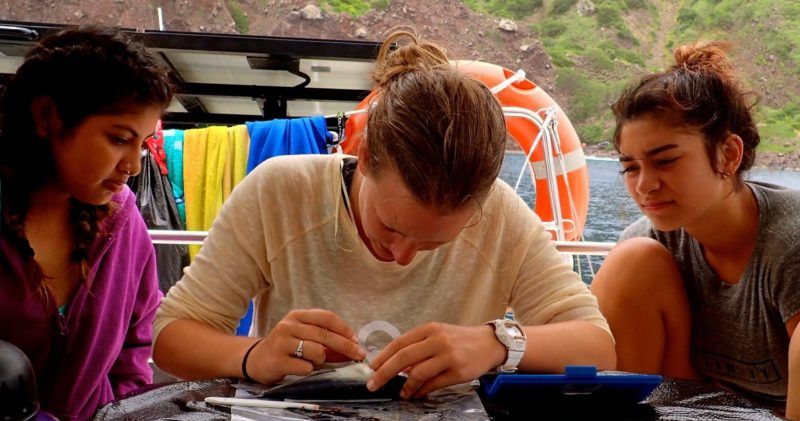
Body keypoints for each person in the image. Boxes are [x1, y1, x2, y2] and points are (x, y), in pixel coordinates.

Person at [153, 28, 615, 398]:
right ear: (366, 154)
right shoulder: (282, 190)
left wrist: (497, 343)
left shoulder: (500, 214)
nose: (402, 257)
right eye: (390, 227)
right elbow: (172, 337)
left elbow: (598, 346)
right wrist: (254, 355)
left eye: (435, 242)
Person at [591, 41, 800, 421]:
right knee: (632, 260)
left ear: (728, 155)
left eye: (666, 161)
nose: (644, 185)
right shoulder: (649, 242)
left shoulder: (790, 243)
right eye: (630, 167)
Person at [0, 27, 174, 421]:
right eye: (118, 139)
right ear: (48, 117)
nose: (132, 166)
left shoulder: (124, 224)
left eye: (143, 144)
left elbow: (135, 343)